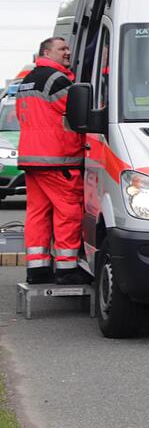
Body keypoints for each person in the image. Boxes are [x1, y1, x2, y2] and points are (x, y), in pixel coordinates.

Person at [15, 37, 88, 284]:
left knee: (37, 213)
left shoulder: (27, 80)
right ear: (47, 52)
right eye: (62, 49)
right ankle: (67, 269)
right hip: (58, 158)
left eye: (67, 48)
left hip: (32, 158)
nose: (68, 52)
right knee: (68, 211)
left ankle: (37, 269)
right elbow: (80, 111)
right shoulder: (57, 80)